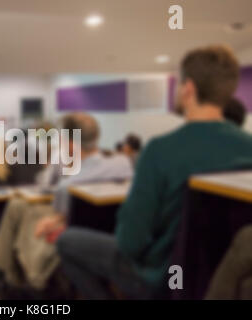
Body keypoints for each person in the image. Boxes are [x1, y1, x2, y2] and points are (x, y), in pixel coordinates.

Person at [56, 45, 252, 299]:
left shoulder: (160, 150)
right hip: (219, 279)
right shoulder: (248, 147)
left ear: (189, 89)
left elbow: (131, 242)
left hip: (160, 277)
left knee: (67, 241)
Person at [0, 113, 133, 293]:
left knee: (22, 211)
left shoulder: (68, 186)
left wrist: (55, 162)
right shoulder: (123, 163)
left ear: (71, 144)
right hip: (114, 229)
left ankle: (18, 280)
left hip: (75, 230)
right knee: (18, 206)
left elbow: (49, 195)